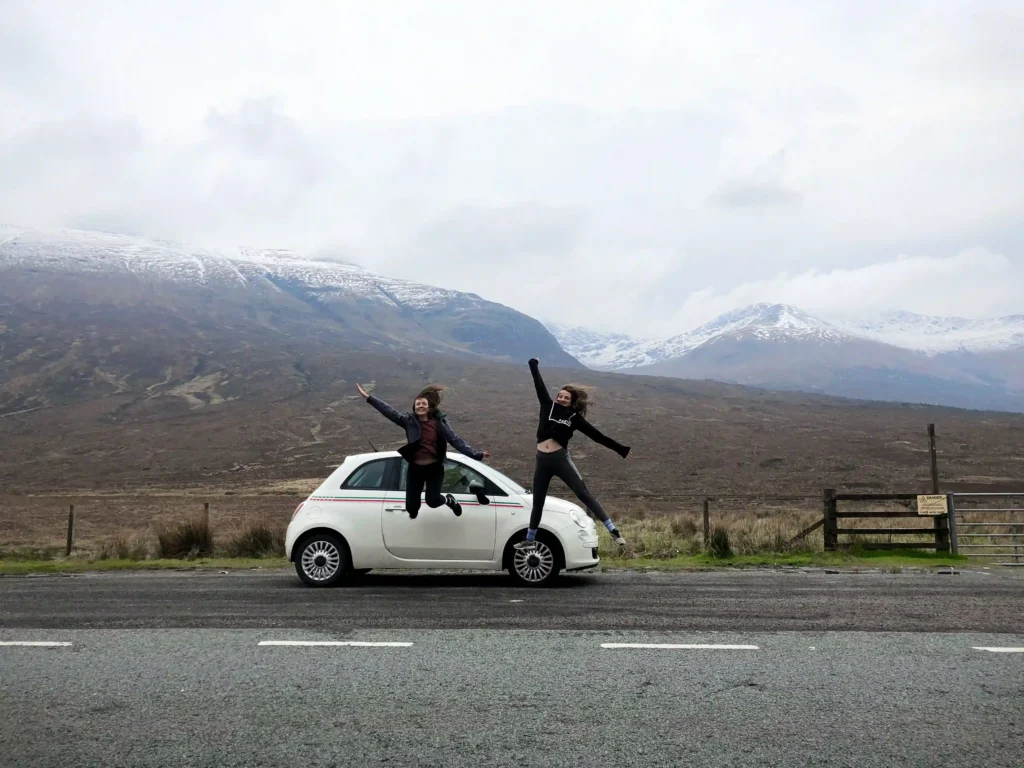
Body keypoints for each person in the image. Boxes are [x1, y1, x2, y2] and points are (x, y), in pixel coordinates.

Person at [515, 358, 629, 551]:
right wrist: (533, 364)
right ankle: (530, 539)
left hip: (559, 459)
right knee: (538, 501)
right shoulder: (547, 405)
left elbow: (597, 436)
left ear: (571, 401)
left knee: (583, 494)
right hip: (541, 460)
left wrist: (621, 449)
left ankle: (613, 530)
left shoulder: (574, 418)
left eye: (566, 398)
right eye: (560, 396)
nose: (561, 399)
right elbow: (538, 384)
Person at [356, 383, 489, 518]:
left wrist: (476, 454)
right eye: (418, 404)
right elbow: (389, 411)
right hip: (415, 469)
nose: (420, 405)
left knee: (433, 501)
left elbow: (455, 440)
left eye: (423, 404)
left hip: (434, 469)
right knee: (411, 508)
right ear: (414, 407)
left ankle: (449, 500)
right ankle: (413, 513)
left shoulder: (439, 424)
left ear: (429, 407)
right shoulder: (408, 422)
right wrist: (368, 398)